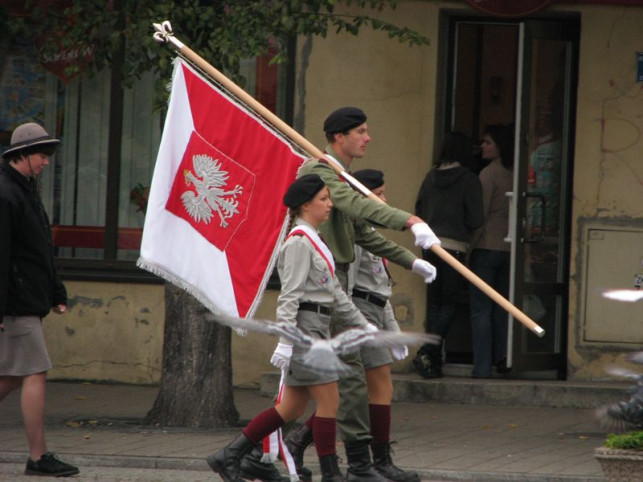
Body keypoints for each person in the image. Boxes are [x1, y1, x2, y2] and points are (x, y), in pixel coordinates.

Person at [275, 107, 440, 482]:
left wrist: (412, 262)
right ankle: (355, 466)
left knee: (347, 384)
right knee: (340, 385)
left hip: (341, 290)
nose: (367, 138)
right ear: (339, 137)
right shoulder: (320, 172)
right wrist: (410, 220)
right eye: (361, 132)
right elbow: (356, 206)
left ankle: (356, 462)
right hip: (326, 293)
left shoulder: (340, 175)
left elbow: (360, 231)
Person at [206, 174, 376, 482]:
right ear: (306, 204)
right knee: (330, 401)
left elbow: (335, 293)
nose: (329, 204)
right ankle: (331, 473)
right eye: (324, 199)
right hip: (306, 329)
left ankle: (228, 456)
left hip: (318, 325)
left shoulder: (314, 239)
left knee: (291, 408)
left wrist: (362, 324)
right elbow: (290, 295)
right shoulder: (299, 242)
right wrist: (286, 341)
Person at [0, 122, 80, 477]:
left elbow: (40, 249)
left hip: (25, 299)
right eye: (42, 156)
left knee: (15, 375)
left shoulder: (24, 190)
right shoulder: (7, 193)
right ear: (23, 154)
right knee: (33, 371)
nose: (46, 162)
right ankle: (38, 456)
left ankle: (38, 455)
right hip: (16, 302)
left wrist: (55, 292)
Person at [346, 168, 425, 482]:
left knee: (346, 393)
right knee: (374, 388)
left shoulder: (370, 233)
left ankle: (300, 443)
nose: (384, 200)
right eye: (378, 195)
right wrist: (355, 325)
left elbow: (383, 287)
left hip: (375, 312)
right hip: (359, 313)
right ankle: (377, 462)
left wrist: (392, 330)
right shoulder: (354, 233)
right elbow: (349, 286)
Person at [412, 131, 484, 378]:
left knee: (434, 302)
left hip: (429, 246)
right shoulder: (469, 179)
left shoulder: (430, 177)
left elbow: (418, 209)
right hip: (454, 246)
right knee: (449, 302)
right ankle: (428, 349)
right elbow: (476, 218)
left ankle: (432, 363)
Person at [469, 124, 514, 379]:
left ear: (500, 145)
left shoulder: (488, 174)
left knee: (481, 309)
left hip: (486, 247)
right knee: (502, 307)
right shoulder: (515, 172)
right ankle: (504, 358)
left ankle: (482, 366)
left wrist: (469, 249)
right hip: (510, 249)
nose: (483, 146)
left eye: (488, 142)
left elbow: (479, 216)